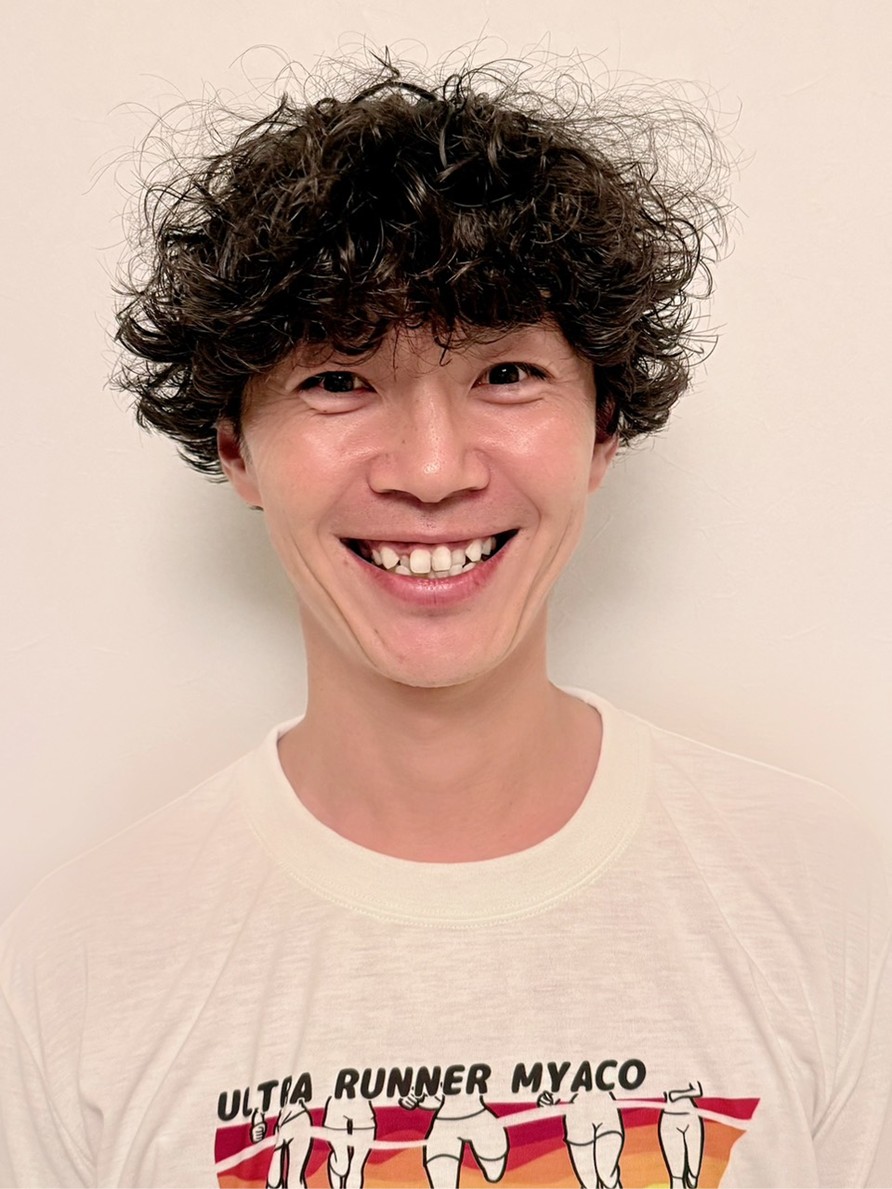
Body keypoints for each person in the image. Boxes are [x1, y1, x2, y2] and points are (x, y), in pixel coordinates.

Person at [1, 52, 890, 1189]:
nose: (431, 470)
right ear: (237, 448)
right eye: (338, 380)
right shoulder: (76, 963)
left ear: (602, 430)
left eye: (506, 374)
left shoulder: (829, 899)